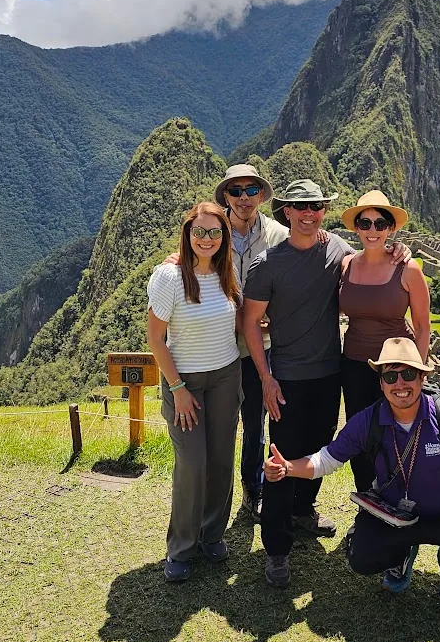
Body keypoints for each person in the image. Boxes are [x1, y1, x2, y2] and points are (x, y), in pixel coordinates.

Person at [264, 337, 440, 601]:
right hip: (395, 515)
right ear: (381, 383)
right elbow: (326, 460)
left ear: (422, 378)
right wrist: (287, 467)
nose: (400, 384)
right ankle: (401, 554)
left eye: (408, 374)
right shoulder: (368, 421)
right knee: (361, 557)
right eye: (391, 377)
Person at [241, 179, 410, 588]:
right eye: (300, 207)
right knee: (282, 459)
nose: (308, 213)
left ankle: (303, 512)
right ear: (286, 212)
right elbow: (250, 323)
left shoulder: (337, 250)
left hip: (331, 374)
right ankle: (277, 549)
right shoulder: (267, 264)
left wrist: (397, 250)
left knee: (321, 447)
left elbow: (370, 259)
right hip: (287, 377)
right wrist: (265, 378)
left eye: (316, 206)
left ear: (324, 210)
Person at [146, 202, 243, 582]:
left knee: (221, 459)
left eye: (214, 232)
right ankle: (182, 547)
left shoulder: (226, 272)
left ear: (224, 237)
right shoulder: (170, 277)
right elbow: (156, 339)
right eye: (199, 231)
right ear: (187, 234)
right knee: (192, 464)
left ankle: (212, 534)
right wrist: (178, 389)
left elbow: (233, 319)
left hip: (225, 376)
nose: (206, 239)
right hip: (183, 380)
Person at [339, 190, 431, 494]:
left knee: (397, 435)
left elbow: (422, 325)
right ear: (356, 228)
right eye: (365, 223)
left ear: (390, 228)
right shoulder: (346, 265)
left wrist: (417, 372)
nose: (372, 230)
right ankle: (367, 501)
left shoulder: (408, 269)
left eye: (380, 224)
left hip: (397, 367)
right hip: (354, 365)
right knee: (360, 435)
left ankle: (399, 499)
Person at [214, 164, 290, 521]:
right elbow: (188, 261)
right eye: (236, 191)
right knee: (220, 424)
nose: (243, 198)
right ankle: (214, 498)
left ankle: (253, 491)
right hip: (221, 347)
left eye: (251, 190)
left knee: (256, 423)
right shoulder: (213, 232)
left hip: (262, 346)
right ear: (226, 196)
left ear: (261, 194)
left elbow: (296, 274)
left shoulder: (277, 235)